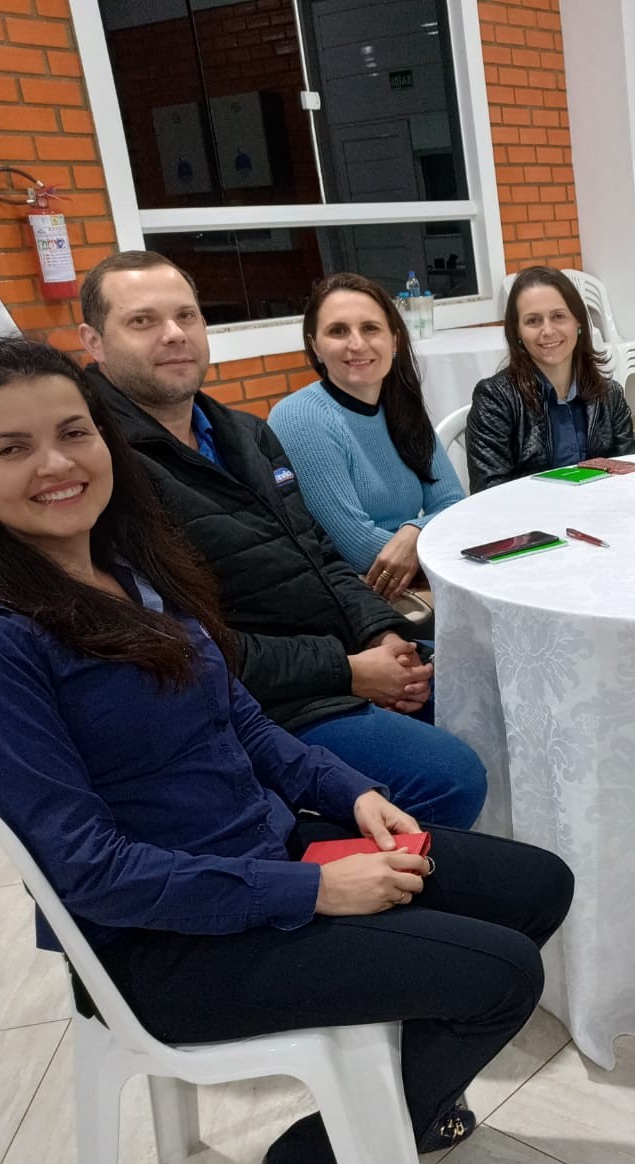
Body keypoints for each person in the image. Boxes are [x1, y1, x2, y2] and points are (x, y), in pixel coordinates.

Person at [0, 337, 574, 1164]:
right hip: (166, 943)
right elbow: (90, 873)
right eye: (11, 448)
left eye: (74, 432)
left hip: (265, 850)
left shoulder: (130, 572)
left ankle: (391, 1098)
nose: (56, 463)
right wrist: (314, 892)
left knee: (537, 886)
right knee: (503, 975)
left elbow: (244, 723)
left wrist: (354, 792)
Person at [77, 251, 486, 829]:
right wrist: (349, 670)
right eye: (142, 321)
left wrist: (383, 632)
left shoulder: (243, 431)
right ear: (94, 341)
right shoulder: (103, 467)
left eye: (187, 317)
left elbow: (318, 551)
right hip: (264, 705)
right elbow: (188, 647)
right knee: (450, 776)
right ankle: (378, 890)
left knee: (491, 697)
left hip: (336, 651)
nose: (173, 335)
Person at [269, 272, 465, 602]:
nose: (357, 344)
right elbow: (356, 548)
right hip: (358, 594)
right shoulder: (300, 417)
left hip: (417, 575)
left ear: (394, 341)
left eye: (370, 328)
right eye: (338, 331)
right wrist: (428, 542)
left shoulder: (402, 407)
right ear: (315, 345)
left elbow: (454, 506)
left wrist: (412, 532)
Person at [467, 266, 635, 491]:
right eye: (533, 321)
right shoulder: (494, 401)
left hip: (601, 518)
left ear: (578, 323)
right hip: (529, 523)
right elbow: (488, 494)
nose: (547, 330)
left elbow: (631, 478)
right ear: (517, 332)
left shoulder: (610, 395)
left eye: (558, 316)